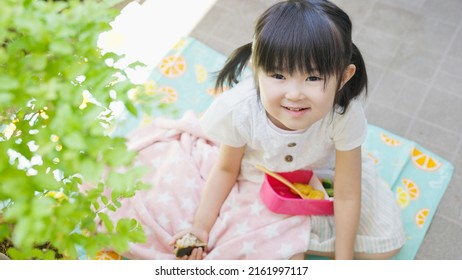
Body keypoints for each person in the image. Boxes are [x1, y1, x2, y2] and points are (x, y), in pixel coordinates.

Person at [169, 0, 405, 260]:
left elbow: (348, 193)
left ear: (344, 77)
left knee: (386, 244)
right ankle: (286, 238)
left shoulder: (344, 113)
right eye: (278, 76)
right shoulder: (241, 110)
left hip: (321, 178)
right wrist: (200, 227)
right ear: (256, 70)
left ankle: (293, 237)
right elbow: (226, 168)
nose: (294, 95)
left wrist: (343, 260)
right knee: (280, 254)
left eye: (313, 78)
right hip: (258, 181)